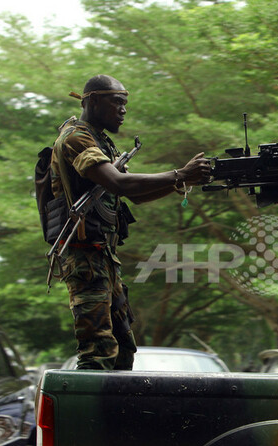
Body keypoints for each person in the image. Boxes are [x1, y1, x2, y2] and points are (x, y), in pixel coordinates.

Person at [49, 74, 212, 371]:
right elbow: (119, 183)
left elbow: (135, 195)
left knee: (123, 347)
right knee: (98, 351)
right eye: (117, 103)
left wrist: (184, 181)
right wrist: (179, 174)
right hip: (86, 258)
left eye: (125, 104)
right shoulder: (76, 138)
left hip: (104, 258)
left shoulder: (100, 142)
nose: (123, 110)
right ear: (94, 101)